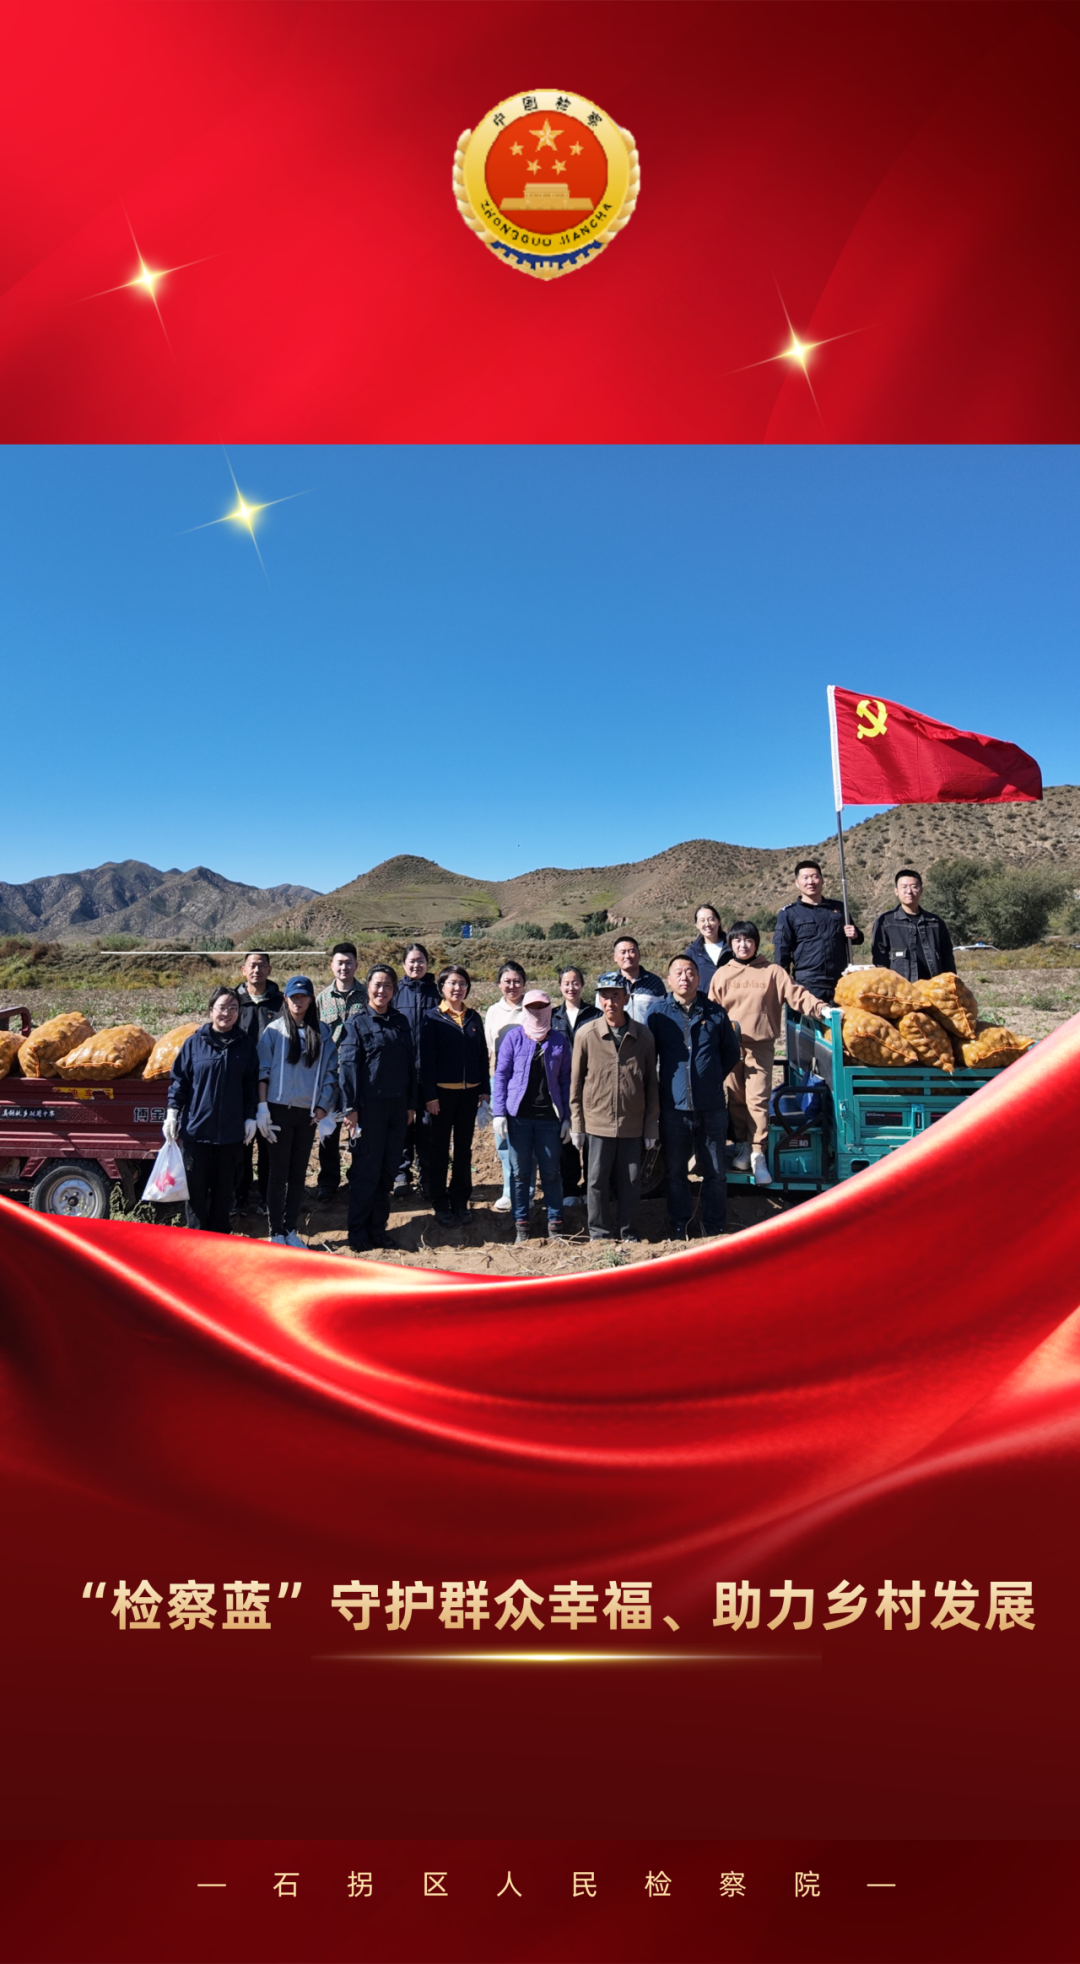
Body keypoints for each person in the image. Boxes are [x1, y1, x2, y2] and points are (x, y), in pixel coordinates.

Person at [709, 921, 830, 1185]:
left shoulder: (773, 972)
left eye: (748, 940)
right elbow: (712, 1011)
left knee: (757, 1100)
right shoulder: (722, 975)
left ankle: (758, 1153)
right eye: (737, 940)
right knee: (736, 1099)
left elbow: (798, 995)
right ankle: (742, 1145)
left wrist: (821, 1009)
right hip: (729, 1047)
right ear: (730, 944)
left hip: (760, 1045)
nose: (743, 945)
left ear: (756, 943)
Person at [646, 955, 740, 1239]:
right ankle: (679, 1225)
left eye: (690, 972)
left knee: (715, 1172)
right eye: (678, 972)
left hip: (711, 1107)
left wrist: (708, 1079)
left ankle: (714, 1226)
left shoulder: (715, 1013)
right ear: (669, 980)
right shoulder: (658, 1013)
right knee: (675, 1172)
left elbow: (731, 1053)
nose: (684, 977)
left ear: (699, 978)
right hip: (674, 1109)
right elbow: (650, 1057)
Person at [570, 972, 659, 1243]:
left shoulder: (643, 1036)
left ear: (626, 998)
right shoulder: (586, 1034)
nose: (610, 1002)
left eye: (616, 996)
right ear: (599, 999)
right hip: (597, 1122)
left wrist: (650, 1126)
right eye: (605, 996)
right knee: (596, 1181)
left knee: (630, 1181)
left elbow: (651, 1085)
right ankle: (599, 1234)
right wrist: (577, 1124)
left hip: (632, 1123)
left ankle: (628, 1232)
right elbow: (576, 1083)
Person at [165, 986, 259, 1235]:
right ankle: (197, 1238)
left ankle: (219, 1238)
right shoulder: (194, 1043)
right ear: (210, 1010)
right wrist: (172, 1112)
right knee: (195, 1193)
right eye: (222, 1007)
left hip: (230, 1134)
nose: (227, 1013)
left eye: (233, 1008)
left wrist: (251, 1116)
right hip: (196, 1133)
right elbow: (180, 1082)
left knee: (224, 1192)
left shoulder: (245, 1046)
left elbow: (250, 1085)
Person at [256, 975, 339, 1248]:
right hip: (278, 1111)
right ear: (286, 999)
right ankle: (276, 1231)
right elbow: (262, 1072)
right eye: (293, 997)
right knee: (278, 1174)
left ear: (311, 999)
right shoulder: (274, 1031)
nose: (298, 1001)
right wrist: (263, 1108)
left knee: (297, 1174)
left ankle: (291, 1229)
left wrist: (322, 1106)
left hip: (307, 1115)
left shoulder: (323, 1033)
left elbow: (330, 1073)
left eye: (303, 997)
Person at [340, 965, 416, 1254]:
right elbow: (348, 1068)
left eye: (388, 986)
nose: (382, 990)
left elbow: (410, 1066)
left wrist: (411, 1104)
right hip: (368, 1110)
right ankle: (358, 1231)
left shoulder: (400, 1022)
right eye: (377, 985)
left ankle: (378, 1229)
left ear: (394, 990)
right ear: (368, 988)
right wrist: (350, 1108)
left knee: (387, 1171)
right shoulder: (356, 1024)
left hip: (397, 1109)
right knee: (366, 1171)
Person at [492, 989, 573, 1245]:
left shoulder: (559, 1041)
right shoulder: (514, 1038)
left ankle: (555, 1224)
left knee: (551, 1173)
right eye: (532, 1007)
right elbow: (501, 1075)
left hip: (549, 1118)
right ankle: (521, 1226)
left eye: (542, 1007)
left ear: (549, 1009)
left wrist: (568, 1117)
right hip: (519, 1118)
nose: (537, 1012)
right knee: (520, 1174)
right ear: (525, 1010)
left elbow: (566, 1080)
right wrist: (499, 1113)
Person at [419, 965, 490, 1228]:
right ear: (442, 987)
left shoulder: (474, 1018)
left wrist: (484, 1089)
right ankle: (440, 1201)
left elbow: (482, 1056)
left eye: (462, 983)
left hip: (469, 1095)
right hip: (441, 1096)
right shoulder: (432, 1018)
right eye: (452, 983)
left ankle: (460, 1200)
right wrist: (430, 1096)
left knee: (463, 1149)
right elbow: (426, 1061)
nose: (457, 988)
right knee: (439, 1150)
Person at [313, 943, 366, 1203]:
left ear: (356, 965)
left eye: (348, 962)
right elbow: (315, 1037)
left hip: (359, 1073)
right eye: (339, 962)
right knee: (328, 1131)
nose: (344, 967)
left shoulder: (367, 996)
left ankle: (358, 1177)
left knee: (358, 1129)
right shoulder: (322, 999)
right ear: (332, 966)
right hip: (331, 1075)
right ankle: (328, 1181)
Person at [233, 950, 284, 1215]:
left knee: (268, 1142)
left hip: (272, 1084)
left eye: (262, 965)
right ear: (244, 970)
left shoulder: (280, 1002)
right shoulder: (233, 1001)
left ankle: (266, 1198)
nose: (257, 970)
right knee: (240, 1143)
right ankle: (239, 1198)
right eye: (252, 966)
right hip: (239, 1085)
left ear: (269, 970)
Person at [773, 860, 863, 1001]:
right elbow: (782, 952)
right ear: (797, 883)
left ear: (822, 880)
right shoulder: (789, 914)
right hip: (808, 984)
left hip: (841, 982)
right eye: (805, 878)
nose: (811, 881)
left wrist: (855, 934)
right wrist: (782, 984)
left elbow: (857, 938)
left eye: (815, 876)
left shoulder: (839, 908)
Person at [550, 966, 601, 1203]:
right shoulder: (552, 1016)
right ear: (560, 986)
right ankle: (569, 1188)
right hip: (562, 1085)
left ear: (582, 984)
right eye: (566, 983)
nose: (571, 988)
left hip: (591, 1084)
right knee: (566, 1136)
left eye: (575, 983)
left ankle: (591, 1188)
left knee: (591, 1136)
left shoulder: (596, 1015)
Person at [394, 943, 440, 1197]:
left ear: (427, 963)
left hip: (430, 1074)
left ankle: (427, 1177)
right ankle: (401, 1175)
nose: (416, 965)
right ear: (404, 964)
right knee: (403, 1124)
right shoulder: (395, 991)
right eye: (411, 961)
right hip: (401, 1073)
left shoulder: (438, 992)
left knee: (427, 1127)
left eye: (420, 960)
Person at [483, 961, 527, 1213]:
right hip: (499, 1078)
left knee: (525, 1138)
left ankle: (525, 1192)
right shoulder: (493, 1011)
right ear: (499, 984)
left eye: (517, 981)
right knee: (502, 1136)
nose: (512, 986)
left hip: (527, 1081)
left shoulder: (531, 1007)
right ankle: (510, 1191)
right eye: (507, 981)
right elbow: (490, 1048)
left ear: (524, 983)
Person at [872, 869, 956, 981]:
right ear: (896, 891)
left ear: (921, 890)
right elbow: (880, 960)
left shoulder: (935, 922)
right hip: (901, 987)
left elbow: (947, 957)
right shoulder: (886, 922)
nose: (909, 891)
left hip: (933, 986)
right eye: (904, 887)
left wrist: (952, 982)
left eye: (914, 887)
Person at [594, 936, 666, 1022]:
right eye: (623, 952)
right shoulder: (606, 983)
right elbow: (600, 1014)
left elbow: (664, 1012)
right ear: (615, 957)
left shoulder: (655, 982)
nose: (627, 956)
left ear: (639, 954)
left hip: (647, 1031)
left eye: (631, 951)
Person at [684, 904, 731, 994]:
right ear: (697, 925)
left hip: (731, 1000)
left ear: (718, 922)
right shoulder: (692, 952)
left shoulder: (733, 948)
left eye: (711, 919)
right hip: (704, 1001)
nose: (707, 924)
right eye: (702, 921)